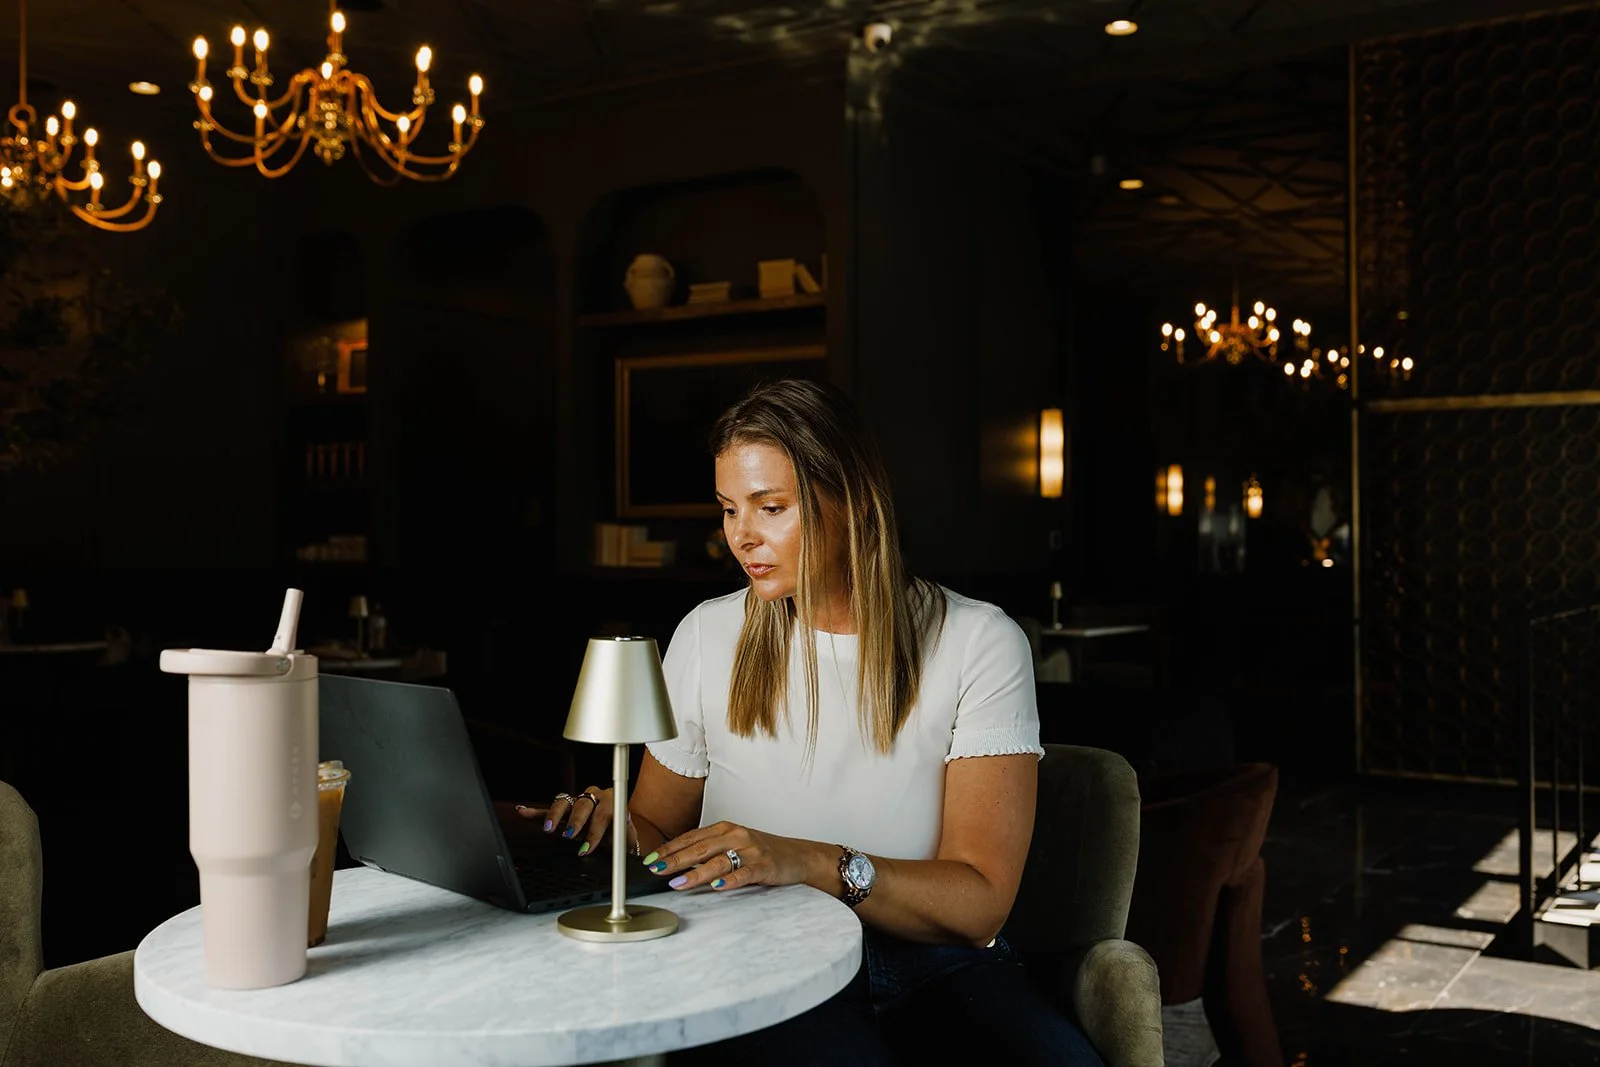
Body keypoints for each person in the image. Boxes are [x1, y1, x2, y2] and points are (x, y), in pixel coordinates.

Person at [519, 378, 1103, 1066]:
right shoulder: (708, 634)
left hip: (937, 963)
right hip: (756, 956)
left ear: (852, 500)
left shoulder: (977, 640)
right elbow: (657, 833)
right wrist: (612, 827)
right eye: (729, 508)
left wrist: (808, 859)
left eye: (771, 507)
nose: (742, 535)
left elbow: (978, 904)